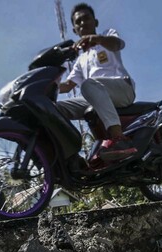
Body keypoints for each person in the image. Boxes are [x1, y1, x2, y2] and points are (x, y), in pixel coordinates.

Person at [56, 3, 137, 162]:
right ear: (74, 30)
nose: (82, 23)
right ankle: (66, 156)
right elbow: (67, 86)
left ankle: (119, 140)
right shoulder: (80, 61)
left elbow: (116, 44)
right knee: (55, 109)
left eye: (86, 18)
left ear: (96, 22)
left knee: (88, 84)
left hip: (121, 88)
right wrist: (45, 83)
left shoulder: (107, 36)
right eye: (78, 22)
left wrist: (96, 39)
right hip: (93, 95)